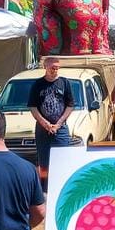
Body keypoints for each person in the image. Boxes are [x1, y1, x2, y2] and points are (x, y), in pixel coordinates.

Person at [27, 57, 74, 189]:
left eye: (57, 68)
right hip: (42, 129)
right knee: (44, 163)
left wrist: (58, 124)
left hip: (61, 128)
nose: (55, 70)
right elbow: (32, 106)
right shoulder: (37, 85)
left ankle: (62, 187)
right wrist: (45, 123)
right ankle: (45, 189)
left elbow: (70, 105)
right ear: (45, 67)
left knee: (62, 160)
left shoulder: (64, 83)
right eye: (52, 67)